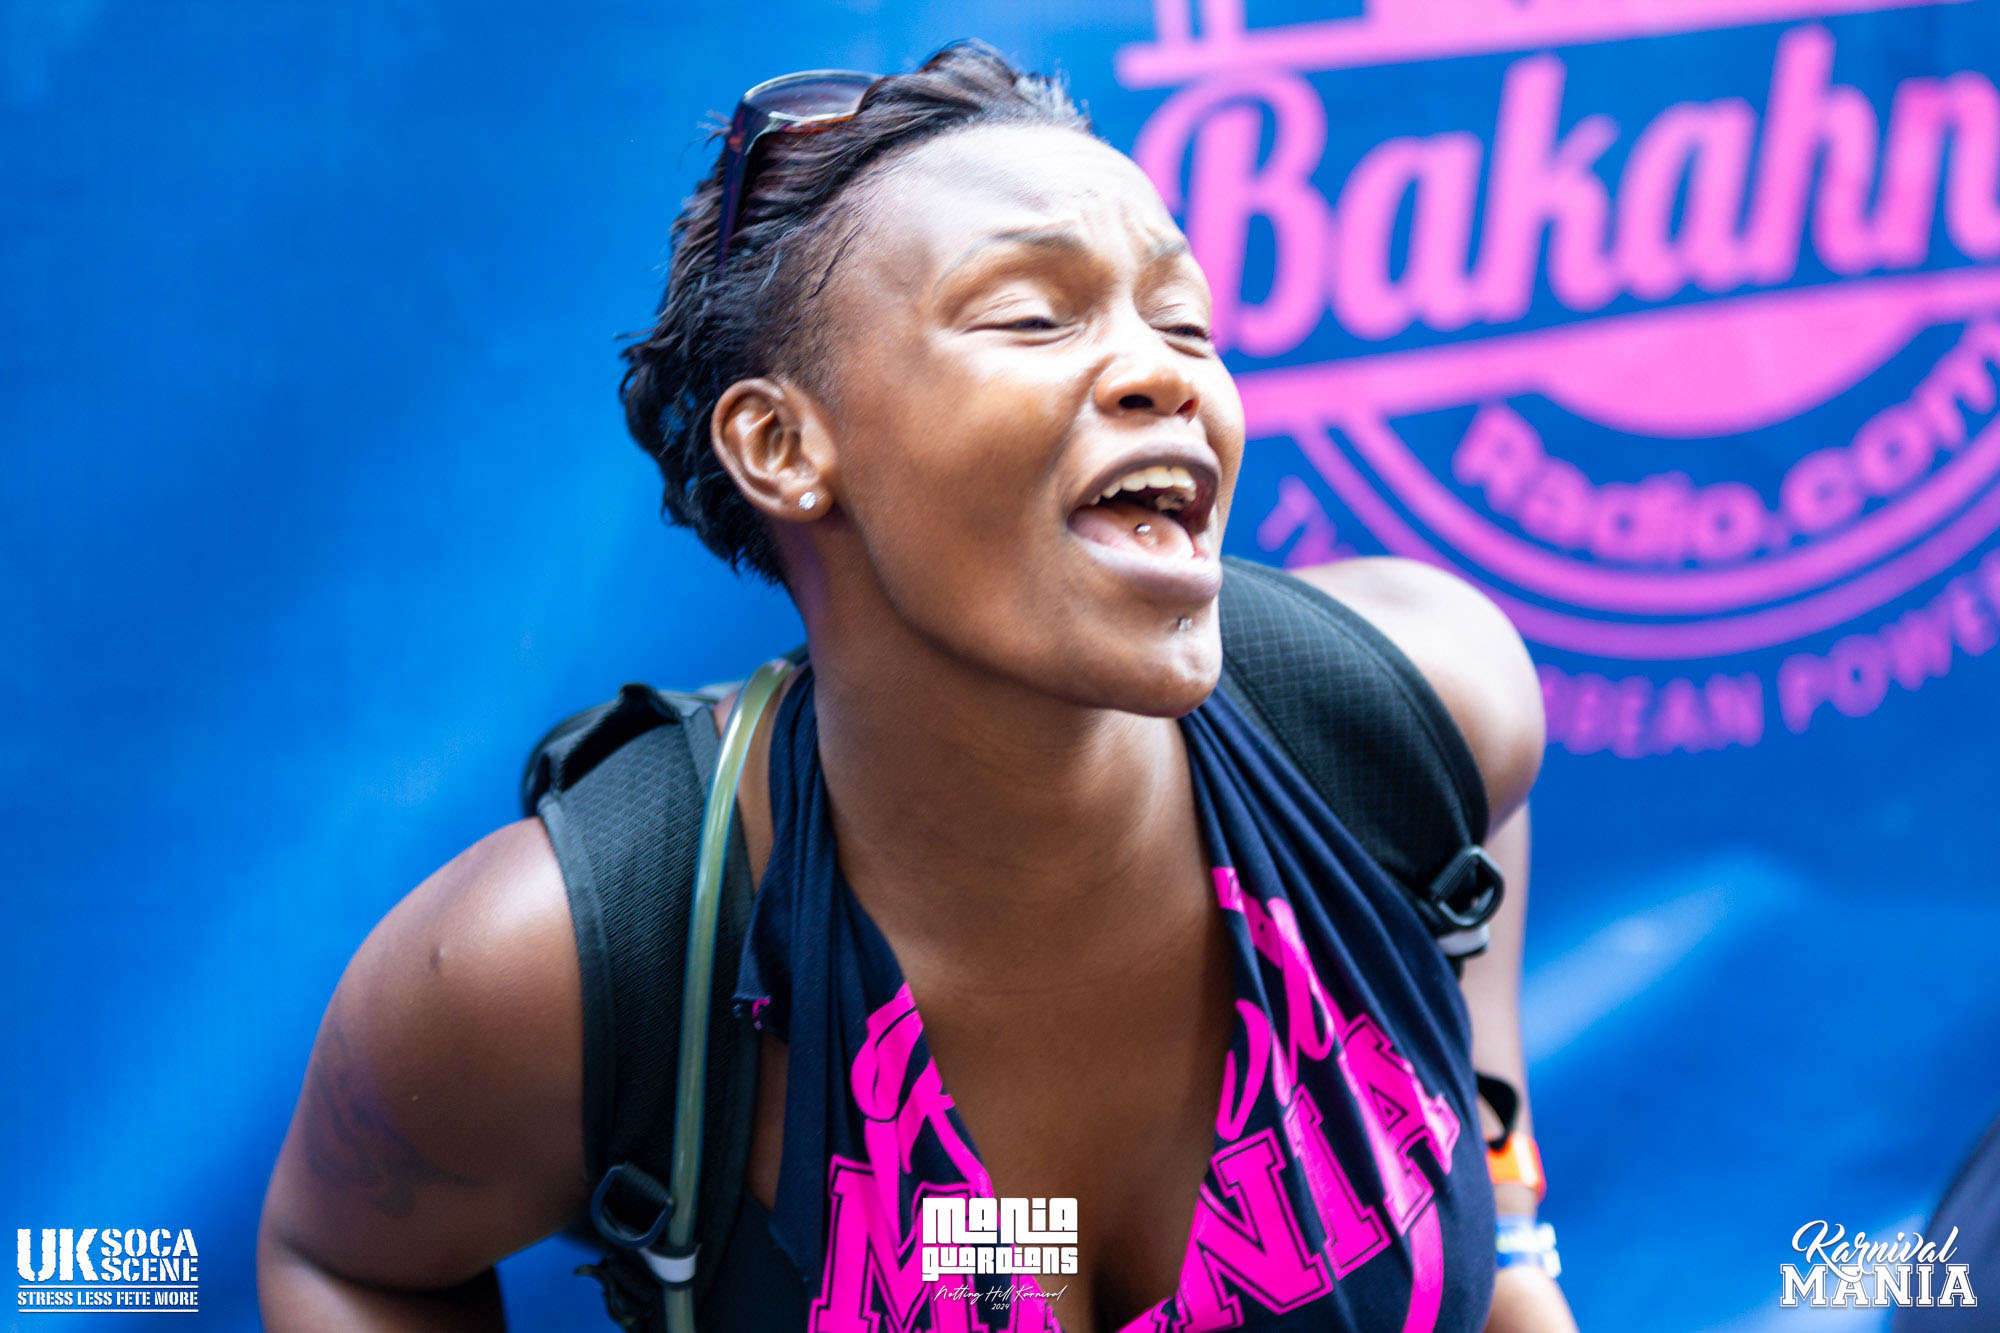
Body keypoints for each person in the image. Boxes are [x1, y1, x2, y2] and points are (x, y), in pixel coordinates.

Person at [257, 42, 1577, 1332]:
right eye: (1034, 316)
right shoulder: (557, 963)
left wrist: (1513, 1256)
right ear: (782, 444)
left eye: (1184, 322)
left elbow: (1475, 1026)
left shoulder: (1422, 703)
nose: (1166, 371)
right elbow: (345, 1260)